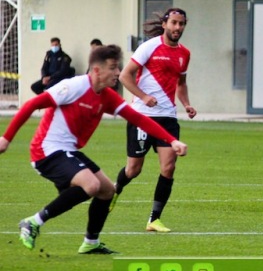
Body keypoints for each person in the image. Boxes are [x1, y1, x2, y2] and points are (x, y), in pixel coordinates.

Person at [0, 44, 188, 254]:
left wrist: (171, 140)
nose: (118, 73)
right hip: (46, 150)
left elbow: (137, 118)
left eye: (118, 68)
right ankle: (33, 222)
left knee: (107, 190)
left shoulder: (107, 96)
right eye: (113, 68)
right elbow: (31, 105)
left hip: (68, 151)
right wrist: (6, 139)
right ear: (97, 70)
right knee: (91, 185)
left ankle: (91, 242)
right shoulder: (73, 86)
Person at [110, 8, 196, 233]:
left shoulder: (184, 54)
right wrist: (143, 96)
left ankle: (154, 219)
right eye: (174, 23)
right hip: (142, 116)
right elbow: (125, 76)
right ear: (166, 24)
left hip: (167, 117)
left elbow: (181, 83)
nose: (178, 28)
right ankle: (113, 191)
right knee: (133, 170)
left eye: (182, 24)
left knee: (169, 167)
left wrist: (186, 104)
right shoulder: (149, 47)